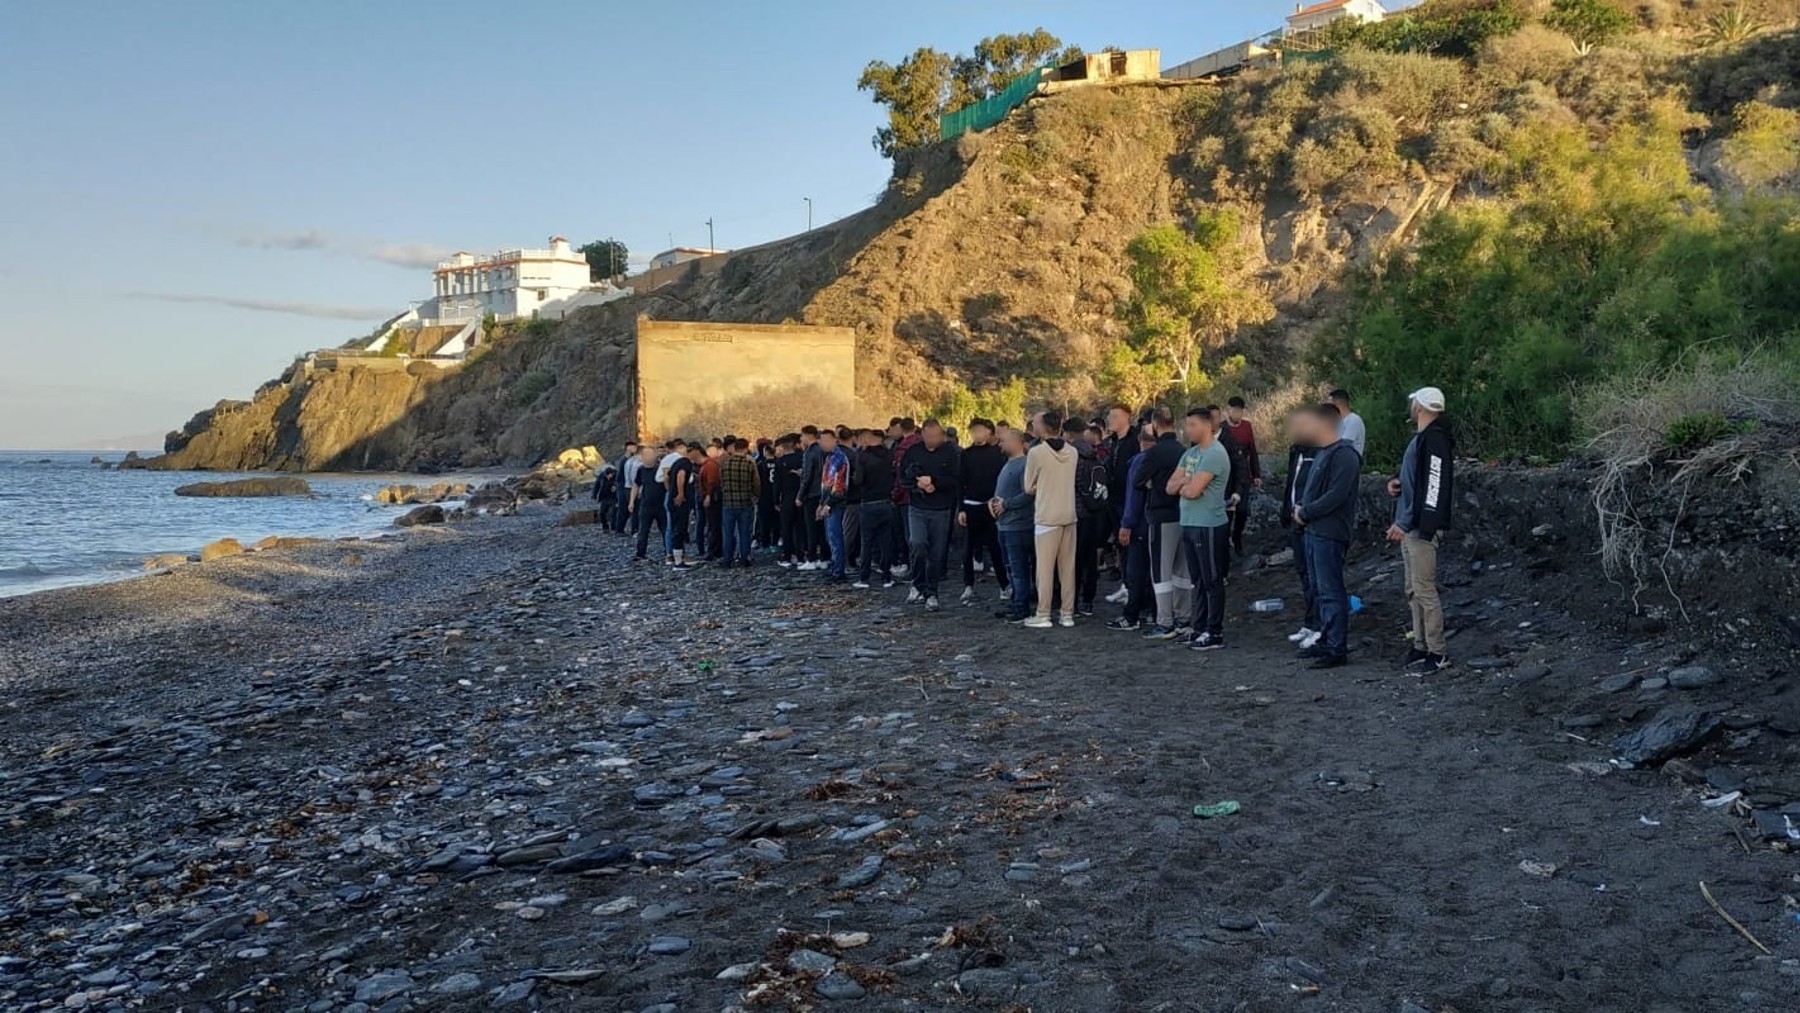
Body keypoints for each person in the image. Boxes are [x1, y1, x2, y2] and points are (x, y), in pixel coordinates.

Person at [1388, 386, 1456, 674]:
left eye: (1413, 402)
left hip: (1420, 529)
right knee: (1413, 590)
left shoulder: (1434, 440)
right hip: (1414, 526)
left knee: (1424, 591)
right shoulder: (1425, 440)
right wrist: (1397, 483)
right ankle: (1420, 645)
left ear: (1420, 406)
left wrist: (1411, 523)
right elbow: (1421, 481)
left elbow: (1433, 486)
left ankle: (1437, 652)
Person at [1294, 404, 1363, 669]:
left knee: (1331, 590)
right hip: (1313, 531)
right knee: (1319, 589)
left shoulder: (1345, 455)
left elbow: (1336, 495)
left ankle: (1336, 647)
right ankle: (1325, 639)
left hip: (1329, 532)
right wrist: (1301, 509)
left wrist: (1306, 511)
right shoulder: (1324, 453)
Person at [1171, 408, 1232, 651]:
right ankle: (1199, 628)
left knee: (1212, 580)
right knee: (1197, 580)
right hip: (1189, 521)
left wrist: (1186, 485)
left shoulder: (1215, 454)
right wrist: (1186, 483)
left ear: (1207, 426)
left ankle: (1214, 632)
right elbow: (1169, 486)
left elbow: (1193, 491)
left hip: (1209, 525)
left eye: (1192, 425)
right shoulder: (1190, 453)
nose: (1188, 430)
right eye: (1187, 425)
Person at [1023, 409, 1079, 629]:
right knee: (1068, 569)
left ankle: (1043, 613)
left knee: (1044, 570)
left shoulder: (1036, 453)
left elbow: (1028, 487)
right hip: (1069, 514)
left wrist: (1042, 486)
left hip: (1047, 517)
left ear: (1043, 427)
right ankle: (1067, 614)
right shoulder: (1072, 452)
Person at [1139, 407, 1191, 640]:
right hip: (1184, 514)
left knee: (1161, 571)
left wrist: (1154, 486)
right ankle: (1184, 618)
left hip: (1161, 516)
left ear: (1155, 425)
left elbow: (1138, 481)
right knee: (1182, 570)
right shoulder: (1184, 451)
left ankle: (1165, 622)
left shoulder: (1155, 453)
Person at [900, 419, 959, 611]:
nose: (933, 440)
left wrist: (936, 482)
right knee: (917, 544)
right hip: (917, 507)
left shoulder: (950, 452)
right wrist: (917, 485)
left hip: (941, 509)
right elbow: (902, 478)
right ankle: (917, 584)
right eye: (929, 436)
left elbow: (956, 479)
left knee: (937, 553)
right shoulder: (913, 452)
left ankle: (932, 592)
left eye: (937, 436)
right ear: (922, 435)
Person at [1279, 406, 1325, 650]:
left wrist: (1304, 513)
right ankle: (1310, 622)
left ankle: (1319, 626)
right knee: (1304, 576)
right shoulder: (1296, 451)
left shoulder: (1321, 452)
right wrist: (1286, 511)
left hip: (1309, 522)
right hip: (1294, 520)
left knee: (1316, 577)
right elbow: (1292, 482)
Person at [1106, 425, 1158, 631]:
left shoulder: (1139, 462)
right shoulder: (1173, 457)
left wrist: (1126, 524)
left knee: (1135, 571)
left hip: (1140, 524)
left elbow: (1133, 497)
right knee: (1157, 572)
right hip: (1161, 524)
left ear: (1140, 441)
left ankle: (1132, 616)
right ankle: (1155, 612)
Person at [957, 418, 1009, 605]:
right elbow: (961, 482)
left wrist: (998, 502)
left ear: (989, 432)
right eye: (973, 431)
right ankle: (968, 586)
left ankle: (1004, 585)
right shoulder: (966, 454)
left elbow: (1003, 481)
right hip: (971, 506)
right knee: (968, 548)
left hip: (991, 507)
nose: (976, 434)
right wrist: (961, 508)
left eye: (980, 430)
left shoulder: (998, 454)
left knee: (996, 548)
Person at [990, 425, 1035, 623]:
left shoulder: (1025, 464)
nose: (1002, 442)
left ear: (1018, 443)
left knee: (1019, 569)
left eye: (1006, 440)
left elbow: (1029, 493)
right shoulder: (1007, 463)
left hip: (1019, 525)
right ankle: (1017, 601)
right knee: (1012, 568)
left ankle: (1021, 608)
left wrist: (1006, 504)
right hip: (1004, 524)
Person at [1067, 416, 1108, 616]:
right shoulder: (1093, 453)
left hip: (1076, 512)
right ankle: (1088, 600)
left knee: (1073, 560)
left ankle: (1072, 602)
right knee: (1090, 559)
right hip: (1095, 511)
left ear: (1067, 433)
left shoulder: (1070, 454)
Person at [853, 429, 896, 589]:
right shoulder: (889, 455)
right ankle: (887, 577)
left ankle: (864, 578)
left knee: (867, 542)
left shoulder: (863, 457)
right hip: (886, 501)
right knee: (886, 541)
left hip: (868, 503)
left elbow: (858, 480)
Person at [1224, 397, 1262, 555]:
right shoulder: (1222, 428)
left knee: (1242, 510)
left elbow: (1252, 451)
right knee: (1227, 511)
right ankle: (1225, 540)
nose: (1237, 414)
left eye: (1240, 411)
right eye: (1235, 410)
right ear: (1228, 410)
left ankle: (1237, 537)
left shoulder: (1247, 426)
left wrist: (1256, 474)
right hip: (1227, 474)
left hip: (1243, 473)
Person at [719, 438, 760, 568]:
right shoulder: (749, 463)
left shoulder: (724, 464)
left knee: (728, 533)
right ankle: (744, 558)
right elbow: (756, 482)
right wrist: (756, 495)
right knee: (744, 533)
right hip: (745, 502)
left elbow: (722, 482)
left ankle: (727, 559)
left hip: (728, 503)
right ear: (745, 448)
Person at [817, 429, 852, 580]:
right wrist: (821, 503)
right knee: (830, 537)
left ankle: (838, 570)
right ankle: (835, 567)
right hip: (828, 501)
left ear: (834, 440)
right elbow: (825, 483)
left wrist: (828, 504)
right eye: (821, 441)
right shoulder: (829, 458)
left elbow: (839, 485)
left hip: (836, 503)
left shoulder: (839, 458)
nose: (823, 444)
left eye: (826, 440)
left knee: (835, 537)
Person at [667, 444, 702, 570]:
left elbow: (667, 476)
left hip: (673, 499)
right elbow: (680, 476)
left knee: (678, 527)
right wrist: (680, 494)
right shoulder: (686, 463)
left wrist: (670, 491)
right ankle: (678, 561)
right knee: (679, 528)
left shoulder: (677, 462)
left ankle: (680, 557)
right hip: (680, 501)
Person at [631, 445, 667, 561]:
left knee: (665, 529)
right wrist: (631, 501)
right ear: (641, 457)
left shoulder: (660, 469)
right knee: (643, 530)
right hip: (646, 505)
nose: (648, 457)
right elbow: (636, 485)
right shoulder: (640, 470)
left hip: (661, 505)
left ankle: (668, 551)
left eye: (650, 454)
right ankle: (640, 553)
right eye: (645, 455)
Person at [796, 426, 825, 570]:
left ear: (808, 436)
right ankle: (824, 557)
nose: (801, 439)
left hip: (811, 494)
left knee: (811, 527)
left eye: (802, 436)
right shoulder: (822, 450)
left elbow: (807, 476)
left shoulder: (809, 453)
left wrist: (800, 495)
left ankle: (812, 558)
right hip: (822, 492)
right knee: (821, 527)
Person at [775, 436, 806, 567]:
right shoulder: (802, 458)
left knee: (786, 528)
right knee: (800, 527)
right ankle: (801, 555)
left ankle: (788, 555)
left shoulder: (780, 462)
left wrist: (775, 500)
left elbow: (777, 483)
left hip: (787, 497)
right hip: (801, 496)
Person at [698, 440, 724, 561]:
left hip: (713, 499)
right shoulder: (713, 464)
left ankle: (714, 550)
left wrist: (708, 496)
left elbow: (712, 482)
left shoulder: (710, 465)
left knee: (714, 526)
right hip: (713, 498)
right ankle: (716, 549)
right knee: (714, 525)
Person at [755, 439, 781, 550]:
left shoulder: (761, 465)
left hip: (764, 495)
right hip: (776, 495)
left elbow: (757, 481)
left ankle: (765, 544)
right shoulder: (779, 463)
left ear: (765, 452)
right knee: (776, 520)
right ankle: (775, 542)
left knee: (764, 521)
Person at [1329, 389, 1367, 459]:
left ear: (1337, 404)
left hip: (1348, 465)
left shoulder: (1353, 420)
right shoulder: (1338, 422)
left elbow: (1343, 445)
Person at [613, 440, 639, 533]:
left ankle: (619, 529)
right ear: (628, 448)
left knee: (624, 509)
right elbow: (620, 474)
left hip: (625, 487)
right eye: (633, 447)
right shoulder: (624, 460)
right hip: (624, 487)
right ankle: (623, 529)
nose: (635, 449)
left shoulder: (628, 459)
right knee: (627, 508)